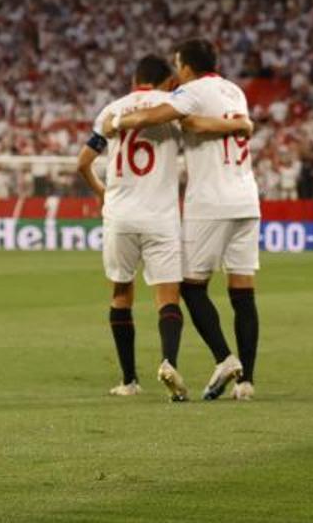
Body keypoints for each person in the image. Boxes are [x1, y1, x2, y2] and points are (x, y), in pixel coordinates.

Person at [79, 55, 250, 401]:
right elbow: (202, 128)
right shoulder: (173, 109)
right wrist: (242, 125)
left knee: (121, 293)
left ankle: (129, 381)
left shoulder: (112, 110)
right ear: (169, 81)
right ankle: (169, 361)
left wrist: (104, 194)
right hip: (161, 217)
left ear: (134, 79)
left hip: (120, 215)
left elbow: (82, 163)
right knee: (167, 297)